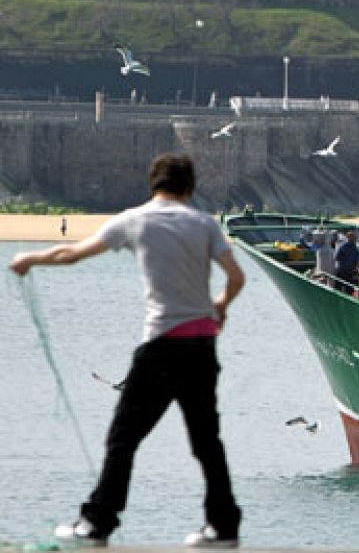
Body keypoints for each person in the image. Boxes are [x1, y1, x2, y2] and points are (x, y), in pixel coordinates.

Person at [10, 153, 245, 549]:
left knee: (124, 438)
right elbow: (236, 278)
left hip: (162, 345)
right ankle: (223, 527)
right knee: (207, 440)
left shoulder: (135, 219)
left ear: (153, 184)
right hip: (202, 346)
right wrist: (219, 306)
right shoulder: (205, 224)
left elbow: (71, 255)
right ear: (189, 188)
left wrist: (29, 258)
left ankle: (97, 522)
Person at [333, 231, 359, 295]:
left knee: (349, 290)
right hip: (343, 271)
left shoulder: (355, 247)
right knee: (338, 289)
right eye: (352, 237)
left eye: (354, 237)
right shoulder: (343, 247)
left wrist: (357, 266)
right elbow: (337, 258)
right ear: (348, 238)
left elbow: (357, 258)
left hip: (350, 272)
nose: (354, 239)